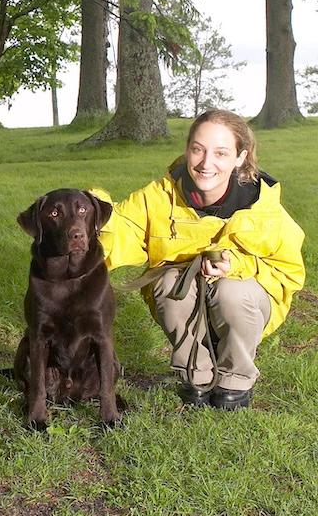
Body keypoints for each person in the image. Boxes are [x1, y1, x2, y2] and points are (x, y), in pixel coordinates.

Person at [97, 110, 305, 410]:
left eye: (221, 153)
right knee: (168, 280)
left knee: (231, 290)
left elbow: (288, 272)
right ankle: (196, 375)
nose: (206, 163)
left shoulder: (264, 208)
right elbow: (121, 230)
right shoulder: (160, 196)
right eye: (198, 149)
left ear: (240, 157)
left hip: (244, 304)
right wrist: (89, 211)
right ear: (187, 150)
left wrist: (237, 266)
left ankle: (235, 382)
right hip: (186, 297)